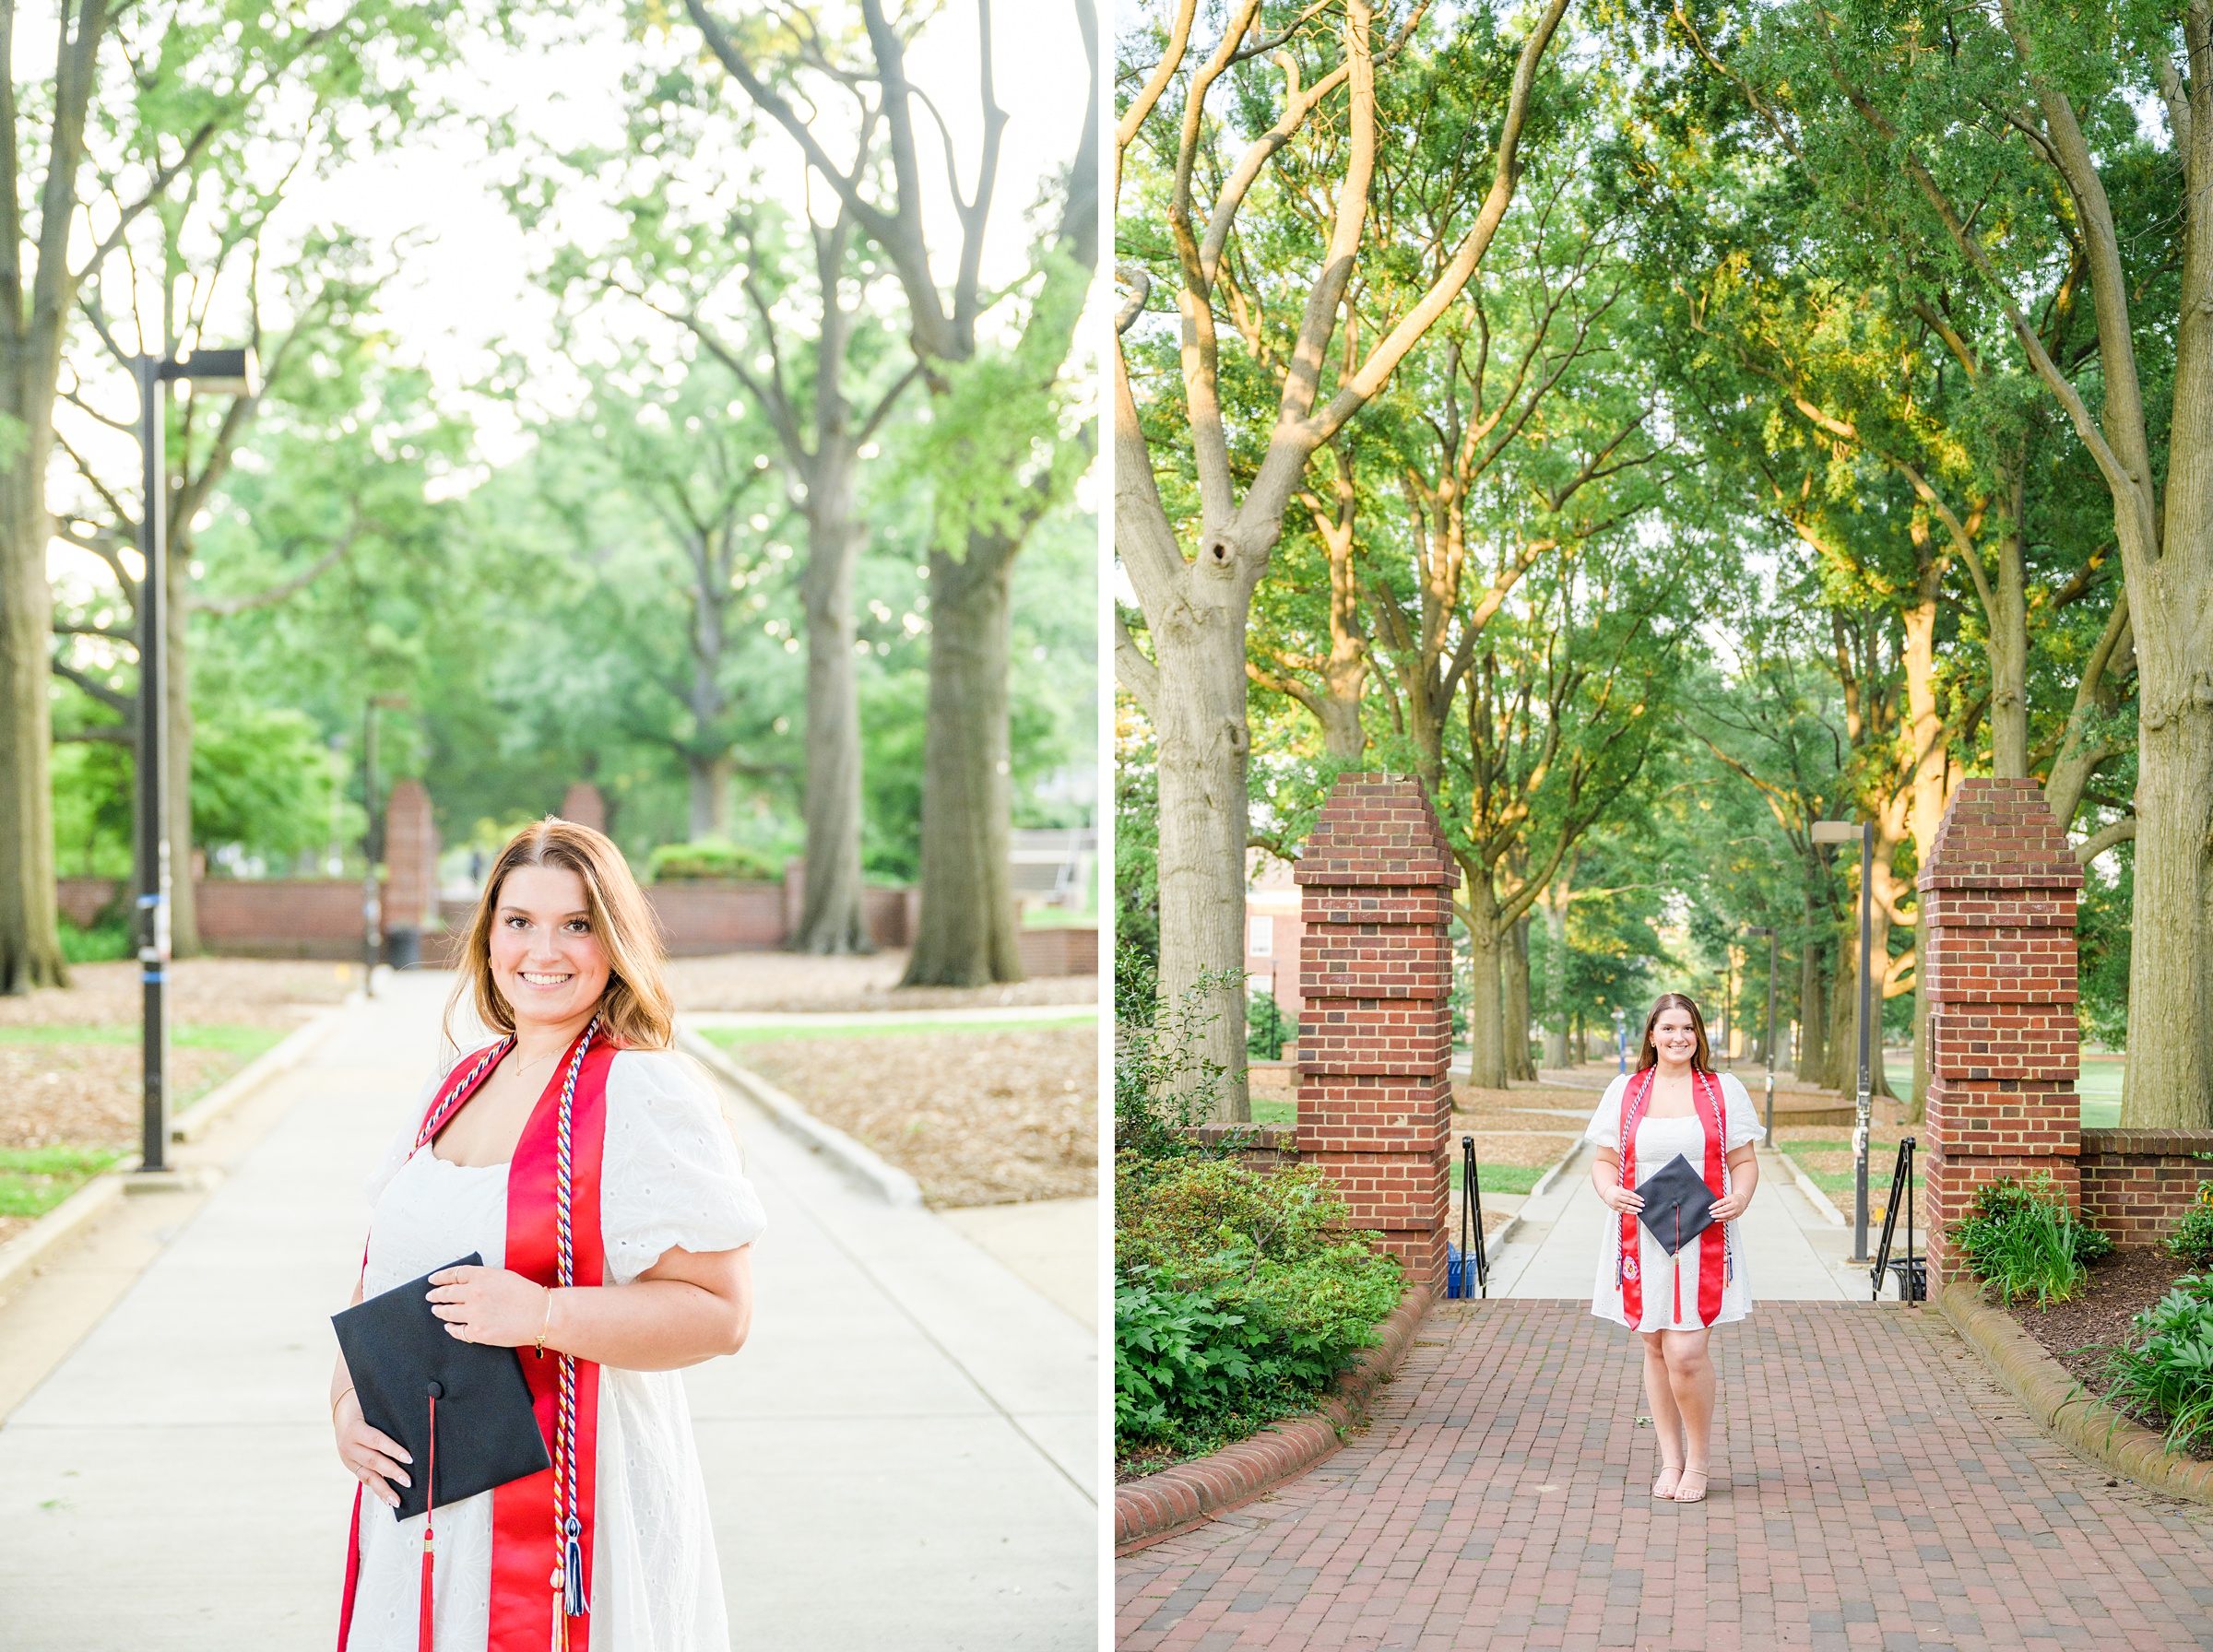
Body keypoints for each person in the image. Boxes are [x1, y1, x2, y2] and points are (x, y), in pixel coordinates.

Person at [328, 818, 767, 1649]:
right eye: (520, 921)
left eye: (578, 925)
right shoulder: (456, 1081)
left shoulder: (642, 1091)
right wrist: (349, 1402)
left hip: (572, 1508)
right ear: (489, 936)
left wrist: (542, 1315)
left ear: (615, 940)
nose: (546, 950)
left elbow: (723, 1313)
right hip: (424, 1508)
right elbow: (381, 1278)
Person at [1582, 992, 1763, 1504]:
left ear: (1699, 1035)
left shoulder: (1723, 1090)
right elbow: (1602, 1161)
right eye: (1668, 1028)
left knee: (1686, 1351)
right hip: (1642, 1233)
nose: (1678, 1037)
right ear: (1652, 1035)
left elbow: (1744, 1162)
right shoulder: (1627, 1091)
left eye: (1688, 1028)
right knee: (1654, 1345)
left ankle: (1700, 1461)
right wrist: (1608, 1190)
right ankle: (1671, 1459)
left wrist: (1741, 1197)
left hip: (1702, 1234)